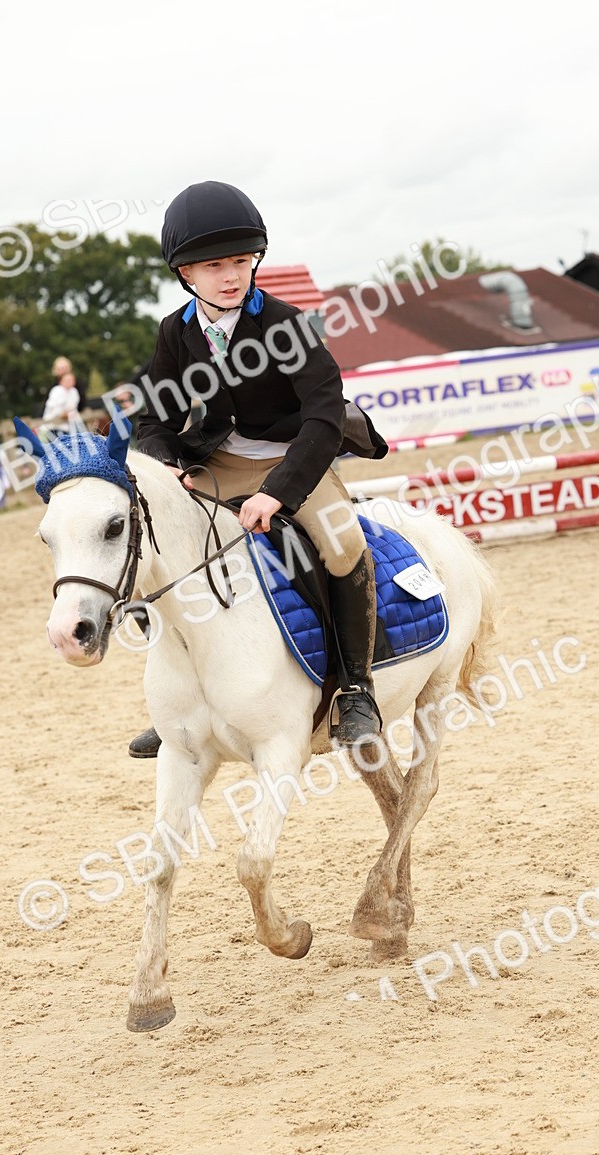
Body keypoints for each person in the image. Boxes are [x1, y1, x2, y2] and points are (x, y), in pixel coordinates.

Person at [128, 181, 388, 760]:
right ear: (185, 273)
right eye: (214, 265)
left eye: (241, 261)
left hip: (295, 455)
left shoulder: (289, 325)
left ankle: (355, 689)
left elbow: (323, 421)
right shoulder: (177, 332)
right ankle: (183, 706)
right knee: (156, 550)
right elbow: (154, 419)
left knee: (343, 546)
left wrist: (278, 494)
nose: (231, 275)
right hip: (219, 457)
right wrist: (167, 465)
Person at [42, 370, 81, 435]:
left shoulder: (74, 392)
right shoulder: (57, 391)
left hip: (68, 427)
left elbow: (73, 409)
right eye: (67, 380)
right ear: (61, 381)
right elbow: (54, 411)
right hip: (52, 427)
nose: (69, 382)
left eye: (71, 380)